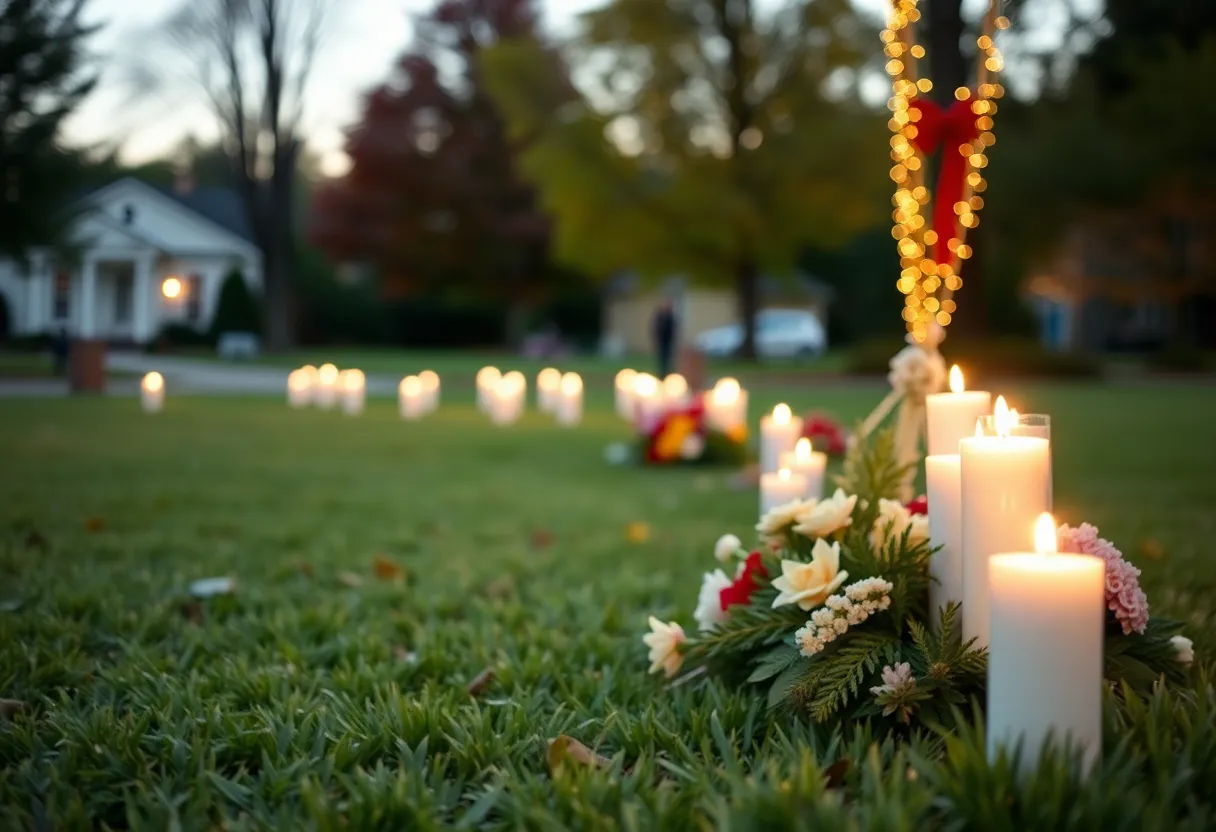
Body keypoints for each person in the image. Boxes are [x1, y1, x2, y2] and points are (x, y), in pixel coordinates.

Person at [652, 298, 677, 378]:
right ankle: (662, 375)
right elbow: (655, 328)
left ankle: (667, 374)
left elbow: (672, 330)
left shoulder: (670, 317)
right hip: (661, 342)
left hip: (668, 342)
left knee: (668, 359)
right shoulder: (660, 316)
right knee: (661, 360)